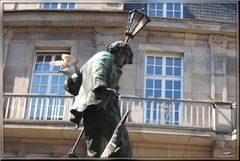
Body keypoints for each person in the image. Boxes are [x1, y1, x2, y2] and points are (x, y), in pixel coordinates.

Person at [68, 41, 133, 158]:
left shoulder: (86, 66)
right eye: (124, 60)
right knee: (122, 146)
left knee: (94, 152)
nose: (122, 64)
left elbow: (73, 86)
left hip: (89, 109)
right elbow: (99, 70)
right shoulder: (106, 56)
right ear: (119, 53)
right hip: (102, 105)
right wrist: (101, 87)